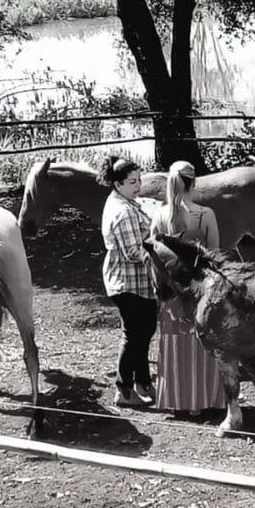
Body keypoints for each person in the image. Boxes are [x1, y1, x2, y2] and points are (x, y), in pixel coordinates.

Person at [149, 161, 226, 415]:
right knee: (202, 340)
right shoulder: (205, 214)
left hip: (171, 290)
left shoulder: (159, 215)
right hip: (200, 288)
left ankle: (177, 399)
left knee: (173, 342)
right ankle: (200, 401)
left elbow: (152, 254)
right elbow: (215, 254)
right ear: (193, 183)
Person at [97, 155, 158, 407]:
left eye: (139, 179)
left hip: (136, 282)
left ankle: (143, 382)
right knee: (133, 335)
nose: (139, 185)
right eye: (133, 181)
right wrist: (162, 251)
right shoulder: (123, 212)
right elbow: (133, 251)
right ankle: (123, 389)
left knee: (144, 332)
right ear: (118, 184)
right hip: (127, 282)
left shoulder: (124, 202)